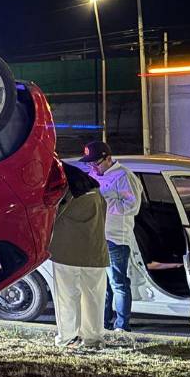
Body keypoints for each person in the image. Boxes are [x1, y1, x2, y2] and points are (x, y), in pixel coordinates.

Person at [79, 140, 144, 333]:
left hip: (116, 238)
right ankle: (102, 323)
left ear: (108, 158)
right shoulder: (92, 174)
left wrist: (104, 204)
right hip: (96, 236)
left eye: (95, 163)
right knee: (100, 284)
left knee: (118, 282)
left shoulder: (124, 175)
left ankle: (122, 326)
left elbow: (132, 206)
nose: (93, 167)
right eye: (89, 163)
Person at [49, 163, 108, 349]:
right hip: (96, 252)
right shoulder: (96, 193)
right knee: (94, 299)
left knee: (67, 297)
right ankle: (93, 338)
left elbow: (53, 217)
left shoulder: (68, 194)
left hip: (67, 254)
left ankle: (68, 338)